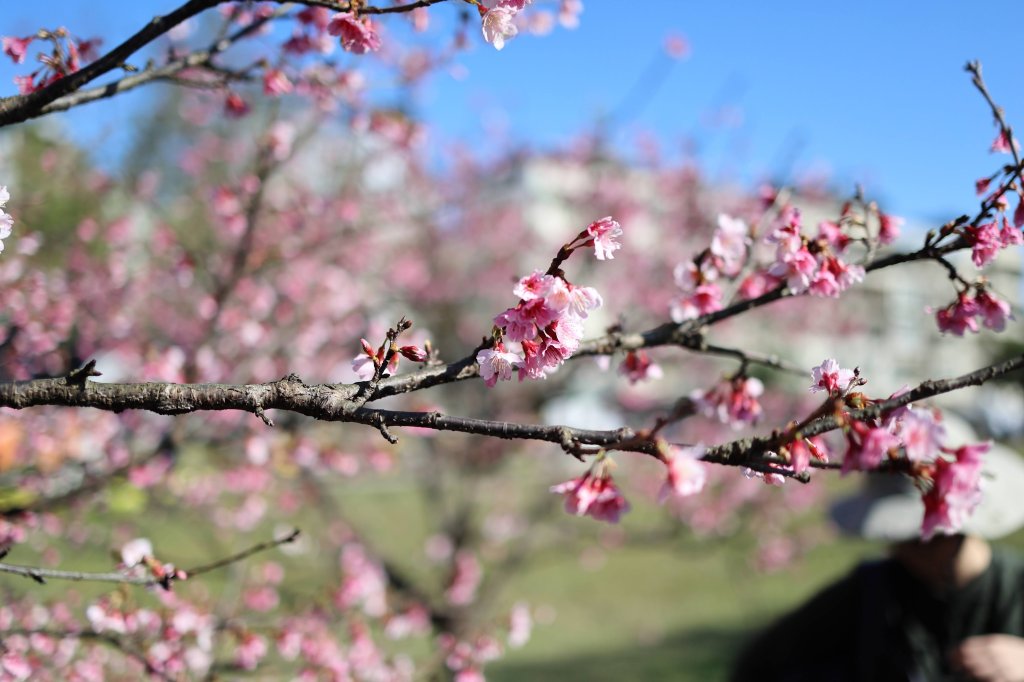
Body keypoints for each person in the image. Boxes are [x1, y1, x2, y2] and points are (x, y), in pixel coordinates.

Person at [730, 443, 1024, 682]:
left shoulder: (1016, 589)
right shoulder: (873, 591)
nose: (899, 550)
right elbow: (761, 663)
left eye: (913, 538)